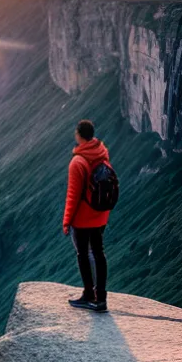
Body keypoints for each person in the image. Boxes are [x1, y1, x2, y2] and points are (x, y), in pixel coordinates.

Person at [62, 119, 111, 312]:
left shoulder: (78, 162)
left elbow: (73, 195)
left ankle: (89, 294)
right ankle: (101, 298)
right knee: (99, 253)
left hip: (83, 218)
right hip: (100, 214)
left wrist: (67, 221)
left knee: (82, 254)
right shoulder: (102, 153)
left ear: (79, 135)